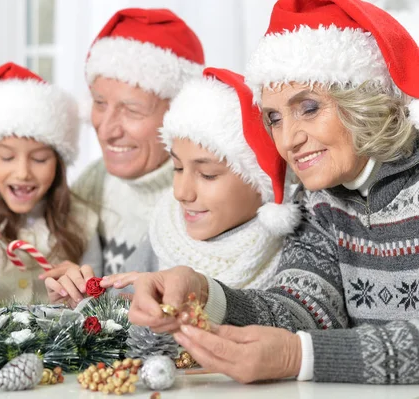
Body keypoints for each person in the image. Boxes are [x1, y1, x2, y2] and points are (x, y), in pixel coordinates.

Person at [128, 0, 419, 385]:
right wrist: (205, 294)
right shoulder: (319, 200)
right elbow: (305, 308)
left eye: (309, 108)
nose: (289, 139)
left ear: (363, 98)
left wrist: (298, 356)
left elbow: (301, 347)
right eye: (275, 118)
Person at [0, 8, 205, 296]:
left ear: (177, 113)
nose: (105, 130)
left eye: (131, 110)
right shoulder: (95, 183)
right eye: (99, 103)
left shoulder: (199, 202)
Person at [46, 68, 300, 306]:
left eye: (207, 174)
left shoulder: (297, 250)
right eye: (177, 168)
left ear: (262, 181)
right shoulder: (166, 229)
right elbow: (115, 308)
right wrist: (83, 297)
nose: (181, 192)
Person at [0, 62, 99, 303]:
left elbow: (100, 311)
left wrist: (83, 293)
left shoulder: (83, 222)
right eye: (7, 157)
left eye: (40, 159)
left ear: (58, 164)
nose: (22, 173)